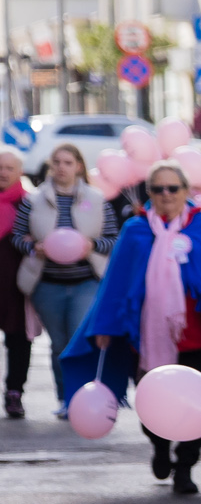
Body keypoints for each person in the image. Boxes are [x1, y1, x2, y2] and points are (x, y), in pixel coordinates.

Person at [62, 160, 201, 495]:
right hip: (147, 338)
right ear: (149, 193)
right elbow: (117, 284)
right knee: (151, 398)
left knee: (199, 404)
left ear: (186, 191)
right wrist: (106, 325)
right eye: (157, 189)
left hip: (198, 338)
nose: (165, 195)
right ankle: (160, 447)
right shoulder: (136, 230)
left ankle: (185, 465)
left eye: (172, 188)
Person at [12, 144, 120, 417]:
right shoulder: (33, 200)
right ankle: (66, 398)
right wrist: (33, 247)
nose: (61, 167)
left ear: (79, 166)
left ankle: (81, 398)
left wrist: (90, 244)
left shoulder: (97, 200)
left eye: (68, 162)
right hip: (47, 286)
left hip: (86, 283)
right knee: (59, 345)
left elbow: (112, 240)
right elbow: (17, 237)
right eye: (56, 162)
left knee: (77, 340)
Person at [0, 152, 26, 417]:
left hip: (16, 288)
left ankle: (14, 393)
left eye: (9, 168)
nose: (3, 172)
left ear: (20, 171)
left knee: (18, 341)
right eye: (0, 167)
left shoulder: (28, 203)